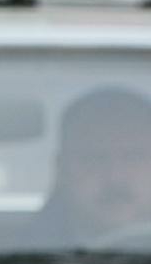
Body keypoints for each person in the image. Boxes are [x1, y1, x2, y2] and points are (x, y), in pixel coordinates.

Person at [33, 86, 151, 245]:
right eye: (94, 159)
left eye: (134, 158)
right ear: (62, 169)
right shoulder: (9, 259)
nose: (115, 177)